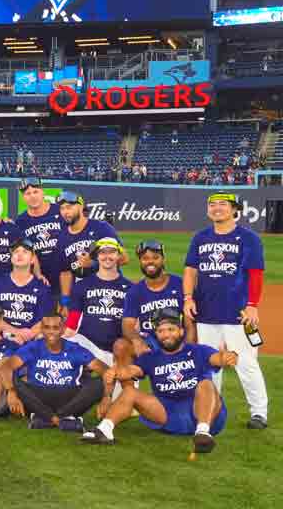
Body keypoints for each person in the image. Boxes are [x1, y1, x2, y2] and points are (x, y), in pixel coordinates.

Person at [83, 308, 237, 452]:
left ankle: (202, 432)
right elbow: (131, 371)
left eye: (171, 329)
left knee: (206, 383)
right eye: (161, 331)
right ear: (156, 334)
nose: (166, 335)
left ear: (181, 331)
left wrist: (228, 357)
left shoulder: (198, 351)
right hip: (168, 413)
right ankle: (104, 430)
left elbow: (218, 358)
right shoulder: (151, 357)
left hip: (203, 412)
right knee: (129, 392)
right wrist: (115, 372)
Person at [183, 192, 268, 429]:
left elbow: (255, 274)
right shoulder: (200, 237)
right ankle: (211, 408)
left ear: (234, 209)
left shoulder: (248, 238)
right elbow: (190, 270)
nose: (217, 208)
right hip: (206, 312)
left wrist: (252, 305)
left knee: (246, 363)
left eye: (223, 204)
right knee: (210, 363)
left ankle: (259, 412)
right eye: (212, 204)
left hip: (237, 313)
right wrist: (188, 298)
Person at [0, 312, 108, 432]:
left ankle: (48, 419)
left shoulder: (75, 348)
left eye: (55, 328)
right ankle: (65, 420)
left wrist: (107, 397)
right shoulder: (32, 347)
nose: (51, 332)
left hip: (69, 398)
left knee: (99, 383)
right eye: (47, 327)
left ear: (63, 329)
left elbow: (106, 370)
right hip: (38, 397)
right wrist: (11, 392)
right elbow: (6, 367)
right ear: (42, 329)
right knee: (14, 379)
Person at [65, 237, 131, 365]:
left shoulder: (130, 289)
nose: (107, 257)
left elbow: (133, 326)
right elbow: (73, 322)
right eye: (102, 252)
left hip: (117, 351)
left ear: (119, 256)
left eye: (111, 252)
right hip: (87, 348)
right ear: (96, 256)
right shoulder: (81, 286)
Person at [50, 190, 124, 302]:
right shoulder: (61, 238)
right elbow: (65, 272)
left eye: (69, 207)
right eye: (62, 208)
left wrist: (93, 264)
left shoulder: (102, 228)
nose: (65, 212)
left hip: (111, 293)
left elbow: (123, 258)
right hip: (83, 297)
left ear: (80, 207)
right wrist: (65, 300)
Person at [121, 240, 188, 358]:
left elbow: (190, 323)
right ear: (140, 261)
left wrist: (189, 350)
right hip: (150, 344)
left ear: (163, 259)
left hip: (177, 341)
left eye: (155, 257)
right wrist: (137, 340)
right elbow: (127, 325)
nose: (150, 261)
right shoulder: (135, 291)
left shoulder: (179, 284)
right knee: (121, 346)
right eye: (145, 258)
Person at [0, 239, 52, 343]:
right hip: (4, 335)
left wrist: (28, 335)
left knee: (43, 338)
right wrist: (15, 332)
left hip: (31, 336)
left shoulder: (42, 287)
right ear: (11, 258)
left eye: (25, 252)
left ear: (32, 259)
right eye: (16, 252)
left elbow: (44, 319)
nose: (20, 255)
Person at [12, 178, 62, 288]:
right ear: (23, 197)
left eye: (35, 192)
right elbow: (29, 251)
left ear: (43, 192)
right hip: (41, 281)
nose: (32, 196)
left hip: (66, 276)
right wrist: (38, 274)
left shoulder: (60, 211)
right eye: (28, 194)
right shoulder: (21, 221)